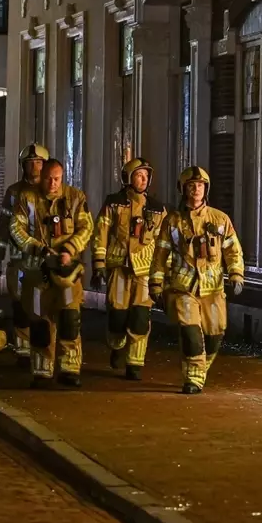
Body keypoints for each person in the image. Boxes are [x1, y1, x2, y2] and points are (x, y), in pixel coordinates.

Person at [149, 166, 244, 394]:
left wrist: (236, 274)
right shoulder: (172, 221)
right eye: (191, 186)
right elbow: (160, 254)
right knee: (191, 333)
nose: (196, 190)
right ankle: (193, 378)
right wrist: (155, 283)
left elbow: (233, 250)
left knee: (215, 335)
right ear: (183, 189)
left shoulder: (220, 219)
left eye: (200, 186)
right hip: (183, 287)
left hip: (213, 289)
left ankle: (199, 369)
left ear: (206, 189)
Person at [9, 159, 94, 387]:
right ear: (41, 176)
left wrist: (69, 249)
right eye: (48, 178)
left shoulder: (76, 198)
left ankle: (69, 370)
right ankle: (42, 371)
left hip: (67, 272)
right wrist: (35, 247)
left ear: (62, 176)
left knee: (69, 320)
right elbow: (15, 228)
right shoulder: (27, 198)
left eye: (57, 178)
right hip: (37, 271)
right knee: (40, 322)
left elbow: (86, 228)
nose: (53, 183)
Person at [92, 157, 166, 381]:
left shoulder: (157, 209)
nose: (143, 179)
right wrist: (99, 263)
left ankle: (135, 364)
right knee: (117, 315)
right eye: (138, 175)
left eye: (146, 175)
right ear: (128, 178)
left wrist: (162, 273)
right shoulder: (114, 203)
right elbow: (101, 233)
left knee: (140, 318)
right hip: (119, 268)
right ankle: (117, 345)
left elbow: (164, 243)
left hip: (144, 271)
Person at [0, 143, 49, 368]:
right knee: (20, 305)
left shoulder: (51, 192)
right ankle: (23, 350)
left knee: (42, 307)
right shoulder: (14, 192)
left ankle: (40, 350)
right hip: (18, 258)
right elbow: (4, 224)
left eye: (39, 163)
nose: (35, 167)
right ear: (23, 166)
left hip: (43, 259)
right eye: (30, 163)